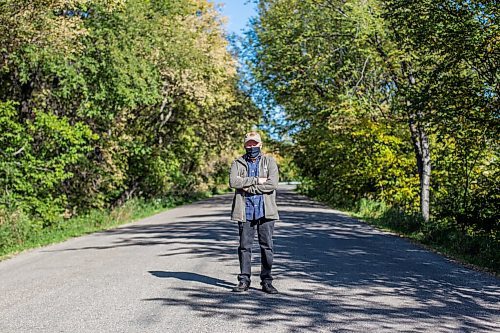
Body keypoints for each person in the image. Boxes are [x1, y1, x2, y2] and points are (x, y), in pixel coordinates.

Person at [229, 131, 280, 294]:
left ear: (260, 145)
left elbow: (272, 184)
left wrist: (248, 187)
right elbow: (233, 182)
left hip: (266, 211)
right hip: (245, 210)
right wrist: (257, 180)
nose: (251, 146)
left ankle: (266, 281)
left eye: (254, 143)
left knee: (267, 247)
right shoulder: (238, 162)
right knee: (244, 247)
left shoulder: (269, 161)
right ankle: (244, 280)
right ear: (245, 145)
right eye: (248, 144)